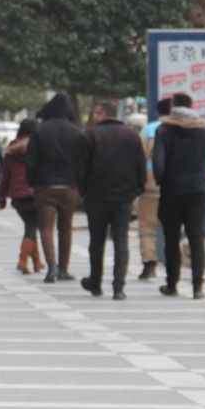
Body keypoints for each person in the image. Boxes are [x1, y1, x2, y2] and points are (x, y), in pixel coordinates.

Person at [79, 101, 147, 301]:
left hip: (96, 197)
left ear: (101, 113)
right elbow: (140, 168)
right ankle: (119, 287)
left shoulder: (90, 135)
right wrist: (135, 191)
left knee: (96, 241)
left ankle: (96, 283)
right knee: (121, 241)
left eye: (95, 112)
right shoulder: (131, 136)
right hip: (123, 198)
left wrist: (84, 192)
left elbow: (81, 168)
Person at [154, 92, 205, 299]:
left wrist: (162, 182)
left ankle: (172, 284)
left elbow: (158, 164)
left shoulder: (164, 131)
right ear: (192, 105)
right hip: (198, 190)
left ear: (173, 107)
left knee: (171, 238)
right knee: (197, 237)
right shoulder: (204, 131)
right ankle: (198, 287)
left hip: (172, 190)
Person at [27, 94, 87, 283]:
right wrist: (80, 184)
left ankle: (51, 267)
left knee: (46, 227)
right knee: (66, 228)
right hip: (69, 187)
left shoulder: (40, 130)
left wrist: (33, 182)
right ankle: (63, 269)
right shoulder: (76, 131)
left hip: (45, 186)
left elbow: (31, 161)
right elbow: (82, 162)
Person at [0, 118, 43, 274]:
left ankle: (37, 262)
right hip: (34, 193)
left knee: (30, 227)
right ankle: (22, 260)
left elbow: (5, 176)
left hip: (17, 195)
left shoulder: (11, 148)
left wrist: (1, 197)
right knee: (31, 227)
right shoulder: (38, 147)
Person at [136, 98, 173, 281]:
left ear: (158, 112)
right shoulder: (181, 129)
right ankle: (172, 265)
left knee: (147, 226)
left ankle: (149, 263)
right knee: (172, 227)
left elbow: (139, 157)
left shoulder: (148, 130)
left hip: (150, 185)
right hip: (175, 186)